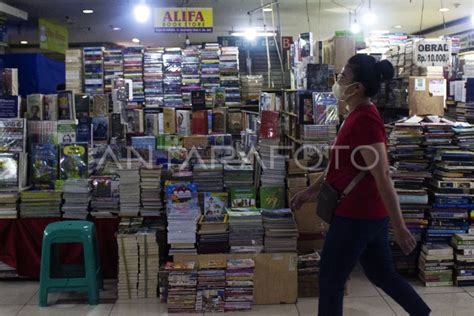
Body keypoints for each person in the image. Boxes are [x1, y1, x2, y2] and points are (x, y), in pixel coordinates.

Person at [291, 54, 431, 316]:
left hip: (356, 215)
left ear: (358, 88)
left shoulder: (365, 121)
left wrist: (400, 227)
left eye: (343, 77)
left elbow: (382, 175)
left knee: (331, 281)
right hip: (367, 214)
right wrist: (311, 190)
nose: (338, 81)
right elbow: (342, 166)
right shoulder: (354, 115)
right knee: (383, 275)